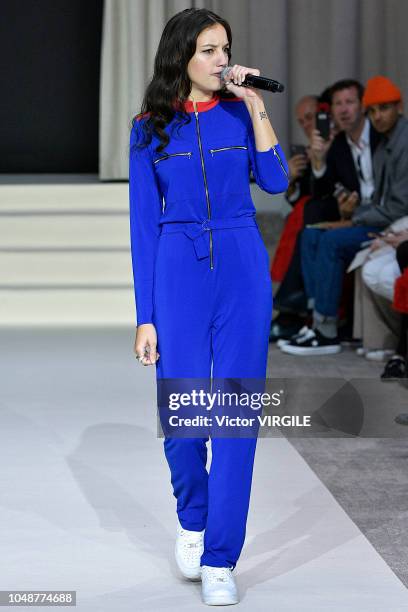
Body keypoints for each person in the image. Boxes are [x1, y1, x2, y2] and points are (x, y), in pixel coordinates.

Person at [128, 8, 289, 606]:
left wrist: (256, 106)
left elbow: (275, 182)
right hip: (177, 270)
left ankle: (222, 556)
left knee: (237, 416)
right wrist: (146, 314)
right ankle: (192, 520)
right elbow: (144, 229)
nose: (222, 61)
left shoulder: (240, 114)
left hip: (243, 266)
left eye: (226, 49)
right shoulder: (149, 129)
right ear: (181, 58)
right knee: (186, 416)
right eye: (209, 51)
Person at [281, 75, 408, 356]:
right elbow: (322, 191)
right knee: (311, 232)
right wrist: (318, 159)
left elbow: (394, 202)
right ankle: (316, 321)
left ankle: (326, 330)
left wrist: (353, 217)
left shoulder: (383, 135)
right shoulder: (337, 143)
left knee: (330, 240)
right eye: (338, 103)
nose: (344, 109)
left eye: (350, 101)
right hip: (370, 214)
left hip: (384, 220)